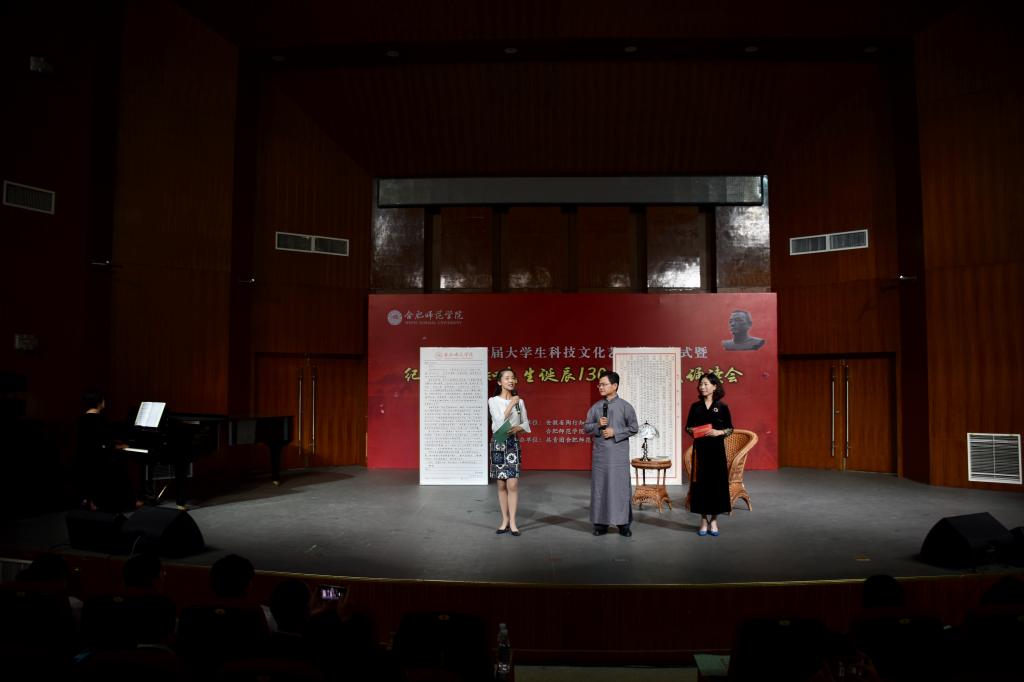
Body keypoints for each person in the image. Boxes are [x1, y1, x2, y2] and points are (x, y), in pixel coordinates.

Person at [583, 371, 639, 537]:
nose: (600, 387)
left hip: (618, 455)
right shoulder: (595, 407)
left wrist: (616, 432)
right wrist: (597, 425)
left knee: (620, 488)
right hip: (600, 456)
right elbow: (586, 427)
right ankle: (600, 524)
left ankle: (623, 524)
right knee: (600, 488)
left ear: (614, 386)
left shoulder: (625, 407)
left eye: (604, 384)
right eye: (599, 384)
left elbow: (634, 428)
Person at [74, 391, 139, 512]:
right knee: (120, 466)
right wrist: (119, 446)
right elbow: (105, 442)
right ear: (100, 403)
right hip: (99, 461)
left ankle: (92, 500)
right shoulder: (99, 420)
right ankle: (128, 502)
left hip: (86, 459)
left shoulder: (82, 419)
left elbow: (94, 441)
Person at [685, 372, 734, 536]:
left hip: (716, 451)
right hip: (700, 451)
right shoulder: (695, 407)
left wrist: (718, 432)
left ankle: (714, 520)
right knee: (701, 486)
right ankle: (703, 520)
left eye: (706, 384)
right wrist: (694, 431)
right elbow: (688, 427)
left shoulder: (722, 407)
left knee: (716, 486)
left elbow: (730, 429)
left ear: (714, 386)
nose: (702, 387)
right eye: (701, 384)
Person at [488, 368, 531, 536]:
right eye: (507, 378)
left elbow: (526, 423)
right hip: (498, 442)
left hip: (512, 442)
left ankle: (513, 522)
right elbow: (499, 422)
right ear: (500, 382)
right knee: (501, 484)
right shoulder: (493, 401)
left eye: (513, 378)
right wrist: (511, 404)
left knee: (512, 483)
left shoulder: (520, 402)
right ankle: (504, 520)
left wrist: (518, 428)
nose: (511, 381)